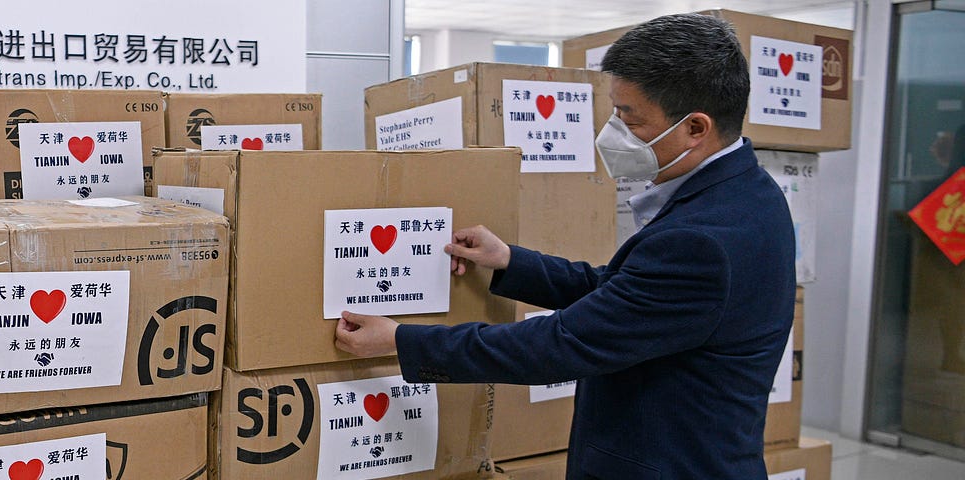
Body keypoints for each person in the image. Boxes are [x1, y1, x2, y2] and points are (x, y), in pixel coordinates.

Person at [334, 13, 796, 479]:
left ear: (696, 127)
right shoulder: (750, 193)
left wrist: (400, 339)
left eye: (629, 117)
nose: (613, 130)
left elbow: (562, 343)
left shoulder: (703, 241)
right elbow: (621, 295)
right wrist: (510, 262)